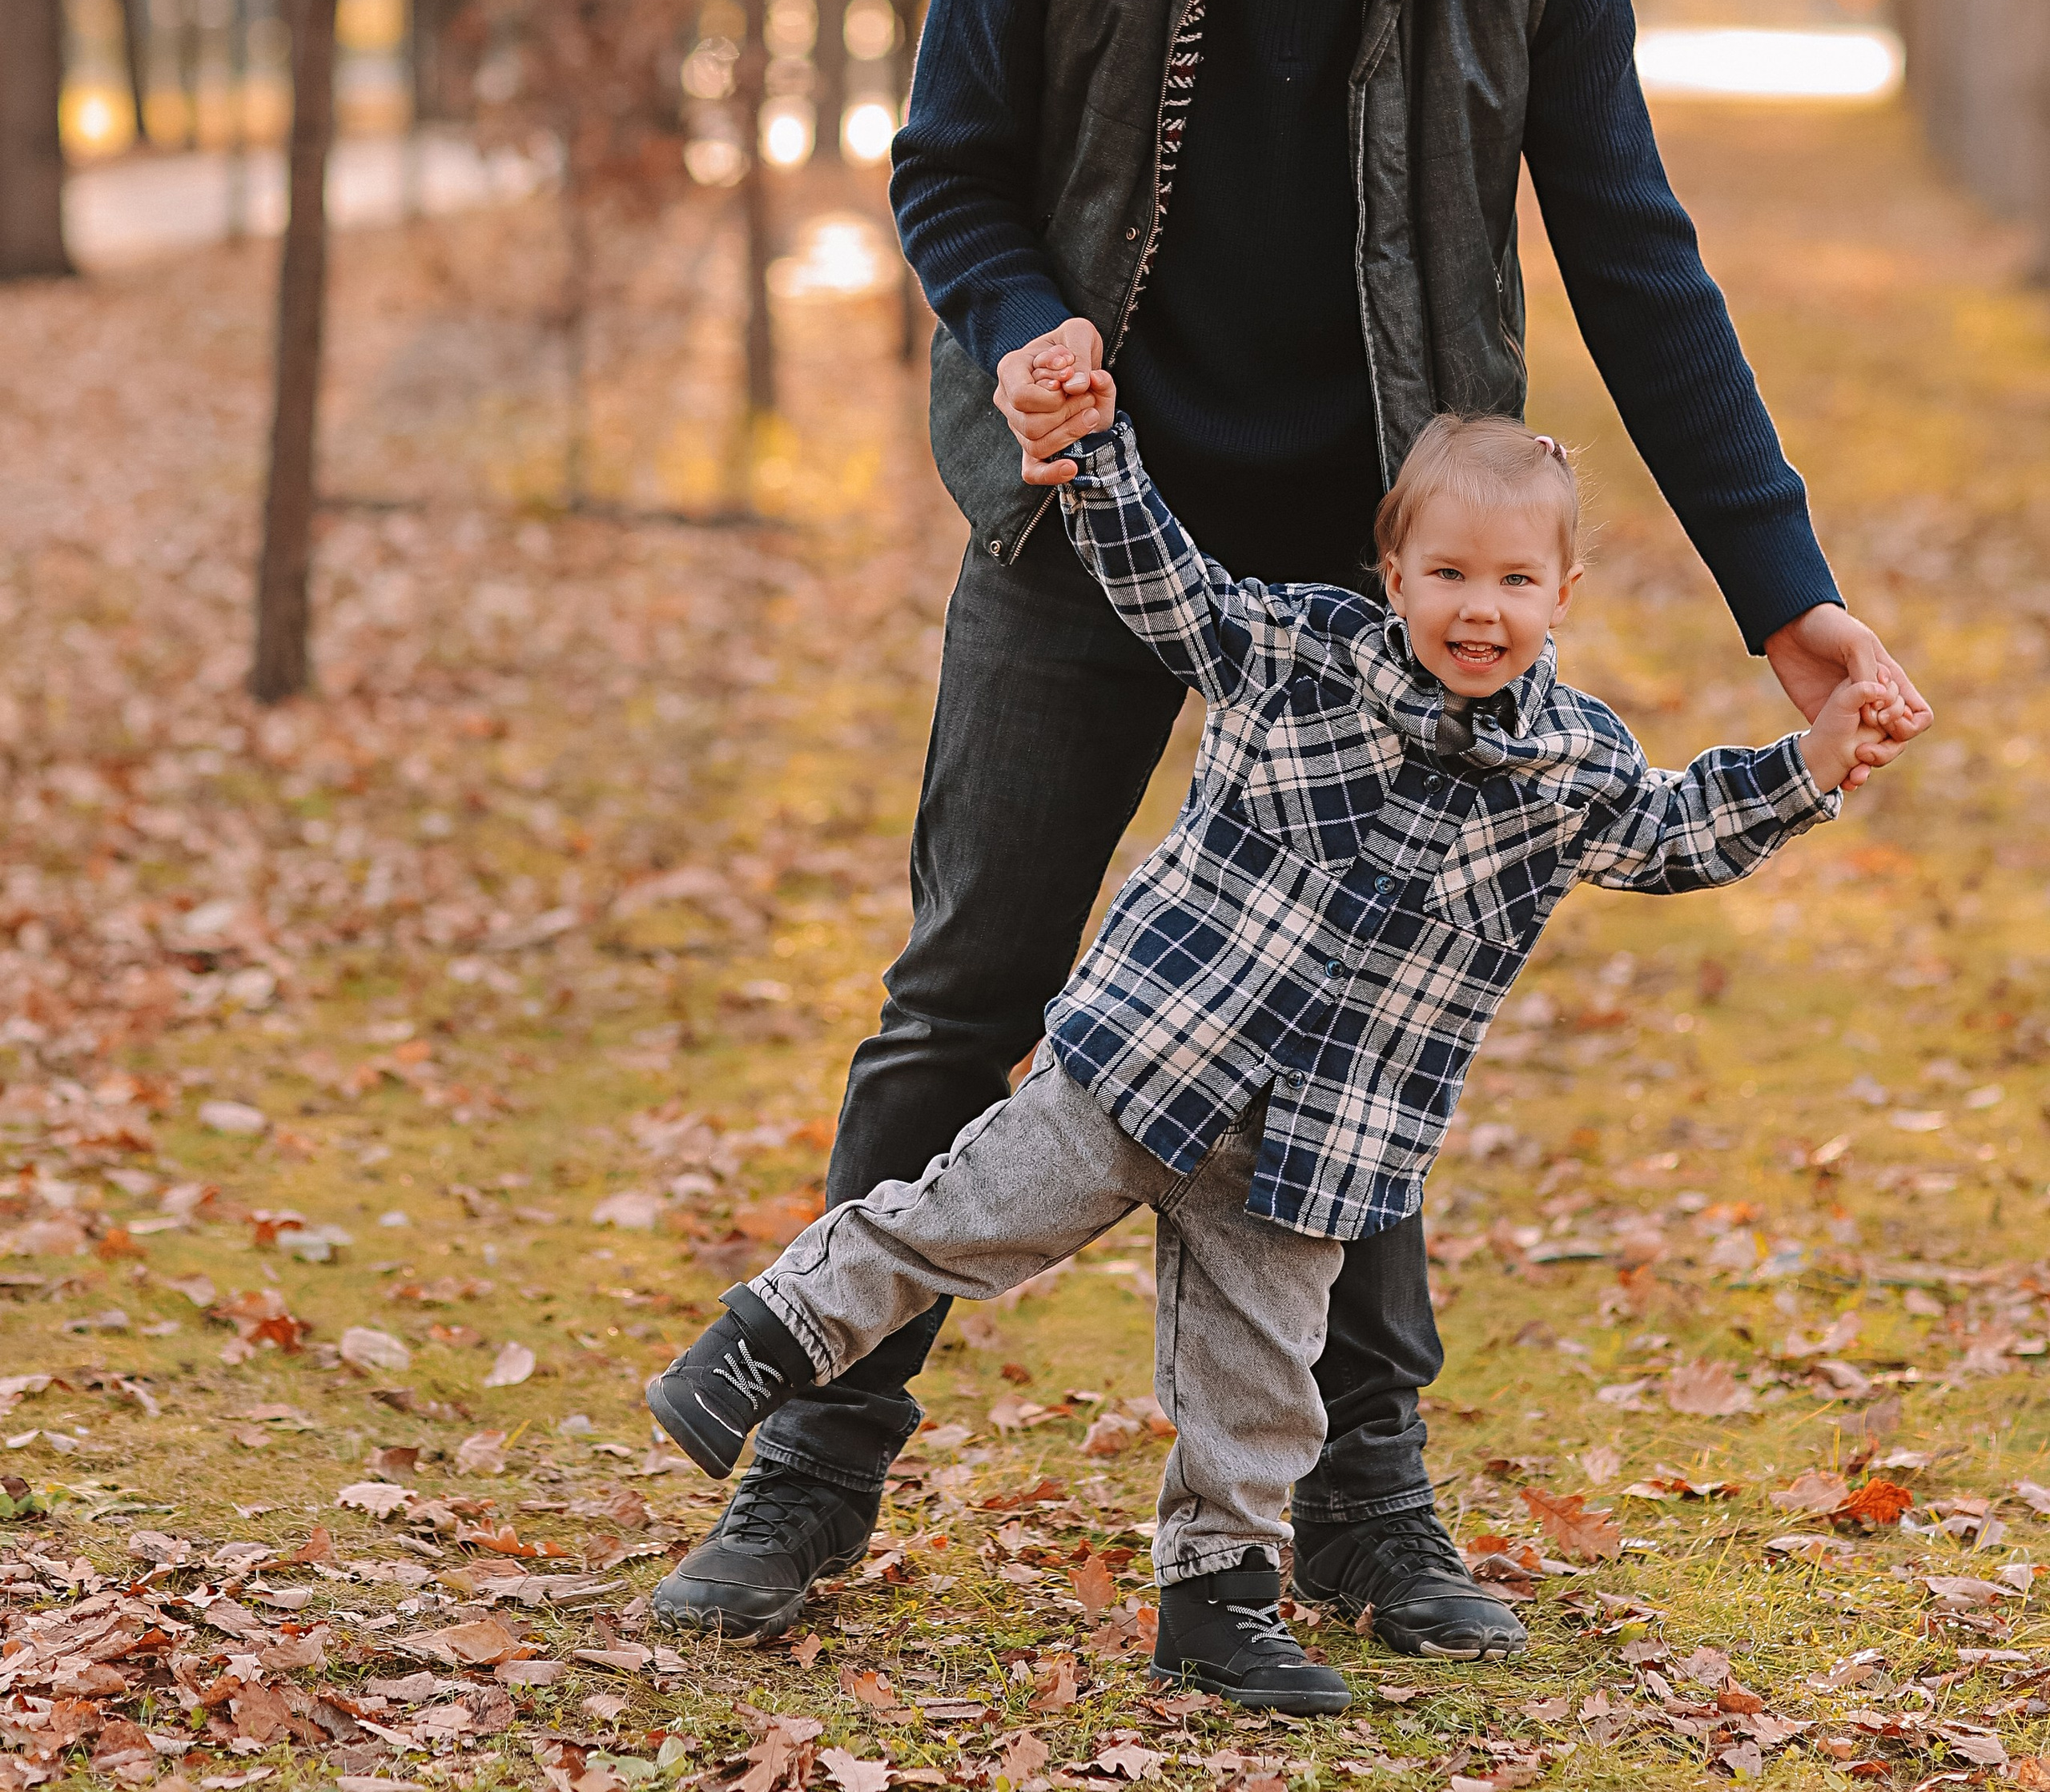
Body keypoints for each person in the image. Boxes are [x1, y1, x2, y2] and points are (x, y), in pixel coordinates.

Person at [653, 0, 1931, 1651]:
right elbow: (944, 165)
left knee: (1365, 1020)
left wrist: (1781, 595)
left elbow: (1636, 261)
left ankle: (1362, 1510)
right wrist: (1019, 319)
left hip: (1388, 579)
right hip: (1097, 522)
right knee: (969, 990)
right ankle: (806, 1480)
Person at [647, 409, 1910, 1709]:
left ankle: (1219, 1607)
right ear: (1395, 576)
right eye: (1451, 577)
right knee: (955, 1225)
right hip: (1144, 1063)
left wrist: (1810, 766)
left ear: (1565, 593)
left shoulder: (1570, 764)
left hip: (1317, 1144)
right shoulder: (1296, 652)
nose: (1482, 612)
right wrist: (1098, 456)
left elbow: (1673, 832)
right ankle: (763, 1342)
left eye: (1516, 582)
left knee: (1260, 1389)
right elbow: (1162, 582)